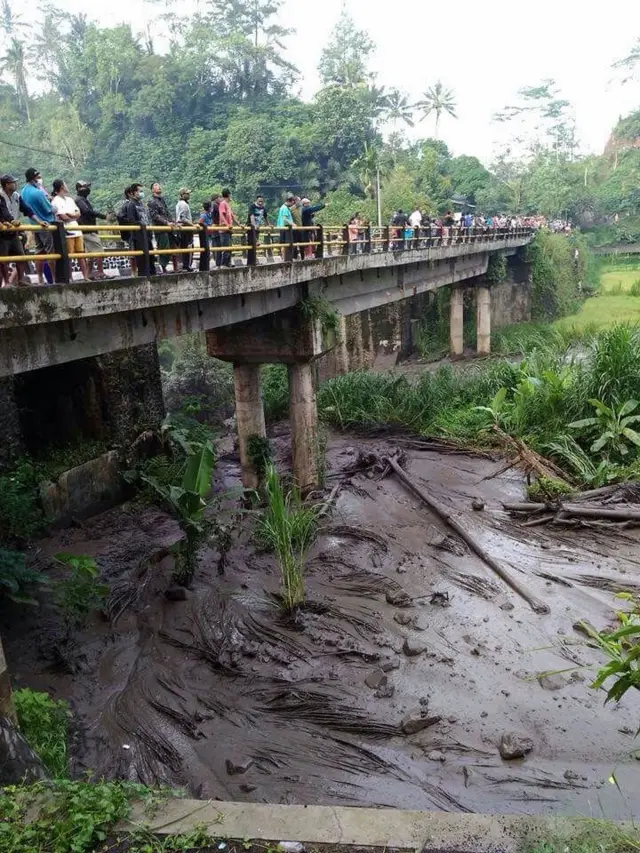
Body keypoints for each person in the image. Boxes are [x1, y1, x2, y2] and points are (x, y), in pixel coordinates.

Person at [0, 173, 43, 286]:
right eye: (13, 182)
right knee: (3, 260)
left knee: (21, 256)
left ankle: (20, 280)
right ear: (6, 184)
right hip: (2, 232)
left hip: (13, 232)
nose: (15, 184)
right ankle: (7, 282)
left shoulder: (16, 196)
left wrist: (38, 221)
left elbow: (27, 209)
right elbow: (3, 211)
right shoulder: (0, 196)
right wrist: (10, 220)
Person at [21, 167, 58, 284]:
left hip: (34, 226)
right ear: (33, 179)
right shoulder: (38, 193)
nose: (39, 180)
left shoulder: (23, 191)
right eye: (38, 177)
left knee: (39, 252)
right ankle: (54, 279)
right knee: (50, 252)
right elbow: (50, 209)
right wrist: (54, 205)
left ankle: (40, 279)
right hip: (45, 225)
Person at [51, 179, 89, 281]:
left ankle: (85, 277)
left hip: (76, 230)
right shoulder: (55, 201)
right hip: (67, 231)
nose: (67, 186)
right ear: (62, 187)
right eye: (65, 184)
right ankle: (70, 278)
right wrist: (73, 215)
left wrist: (71, 215)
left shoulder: (70, 199)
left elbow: (78, 213)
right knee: (68, 256)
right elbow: (63, 217)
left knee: (81, 254)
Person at [74, 181, 107, 280]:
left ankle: (88, 274)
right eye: (86, 187)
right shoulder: (80, 200)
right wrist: (102, 215)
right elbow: (87, 211)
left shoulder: (81, 199)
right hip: (88, 229)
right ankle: (100, 272)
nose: (88, 189)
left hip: (87, 229)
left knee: (91, 255)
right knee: (99, 251)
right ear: (80, 189)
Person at [148, 182, 180, 274]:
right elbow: (155, 216)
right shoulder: (152, 201)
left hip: (168, 227)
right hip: (161, 229)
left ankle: (175, 268)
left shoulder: (162, 200)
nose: (159, 187)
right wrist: (166, 222)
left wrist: (173, 222)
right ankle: (164, 268)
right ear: (152, 190)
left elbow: (167, 212)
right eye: (156, 186)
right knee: (163, 248)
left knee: (173, 246)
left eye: (159, 185)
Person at [122, 183, 149, 277]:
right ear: (131, 193)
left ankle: (143, 272)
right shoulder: (129, 205)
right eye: (139, 191)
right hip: (135, 235)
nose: (141, 193)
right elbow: (130, 220)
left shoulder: (140, 203)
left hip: (144, 233)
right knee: (135, 254)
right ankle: (135, 272)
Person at [218, 188, 237, 268]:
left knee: (229, 247)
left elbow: (232, 216)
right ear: (228, 195)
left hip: (228, 229)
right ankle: (223, 264)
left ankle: (228, 263)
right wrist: (227, 225)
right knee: (226, 247)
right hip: (224, 229)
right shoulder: (223, 204)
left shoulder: (228, 204)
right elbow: (221, 215)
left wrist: (239, 224)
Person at [175, 187, 193, 271]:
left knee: (183, 247)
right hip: (185, 228)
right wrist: (192, 225)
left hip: (181, 228)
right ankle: (186, 266)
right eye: (187, 193)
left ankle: (184, 265)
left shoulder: (179, 203)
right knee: (187, 247)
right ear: (182, 195)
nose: (189, 195)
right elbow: (182, 218)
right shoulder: (183, 204)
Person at [210, 193, 222, 267]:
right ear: (216, 198)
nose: (220, 199)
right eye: (219, 198)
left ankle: (217, 262)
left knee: (216, 245)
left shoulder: (212, 205)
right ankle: (218, 262)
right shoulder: (215, 205)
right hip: (216, 227)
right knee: (218, 245)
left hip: (214, 227)